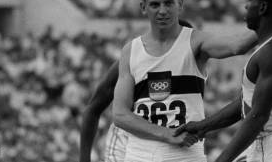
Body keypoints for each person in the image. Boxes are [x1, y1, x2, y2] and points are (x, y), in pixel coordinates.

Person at [112, 0, 272, 162]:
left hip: (184, 154)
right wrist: (166, 134)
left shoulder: (195, 41)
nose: (162, 11)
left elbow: (236, 46)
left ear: (180, 4)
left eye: (169, 3)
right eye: (155, 5)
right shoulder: (131, 50)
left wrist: (271, 24)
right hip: (139, 154)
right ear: (143, 7)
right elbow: (120, 114)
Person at [176, 0, 272, 162]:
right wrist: (203, 126)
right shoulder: (271, 48)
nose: (246, 6)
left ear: (263, 8)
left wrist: (222, 159)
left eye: (250, 0)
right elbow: (245, 104)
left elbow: (258, 116)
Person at [79, 19, 193, 162]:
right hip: (126, 144)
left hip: (166, 147)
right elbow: (93, 109)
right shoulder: (134, 59)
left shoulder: (194, 69)